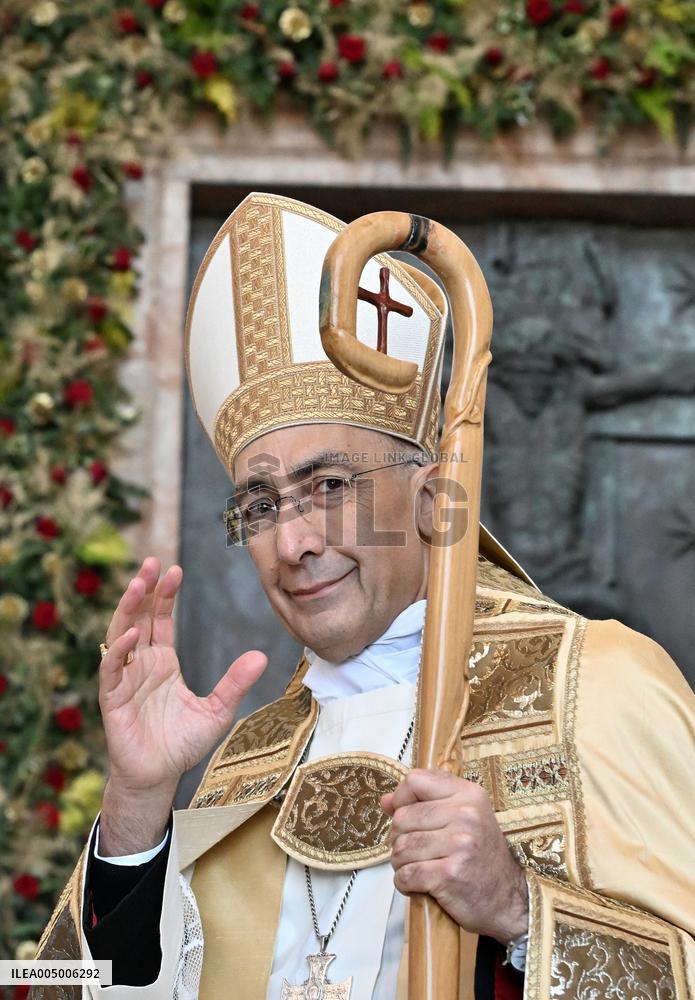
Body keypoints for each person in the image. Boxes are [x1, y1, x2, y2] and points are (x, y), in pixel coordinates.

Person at [35, 194, 695, 999]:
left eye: (330, 486)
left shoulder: (598, 681)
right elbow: (64, 986)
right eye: (261, 505)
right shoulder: (248, 761)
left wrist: (519, 910)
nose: (292, 542)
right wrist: (137, 808)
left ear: (432, 498)